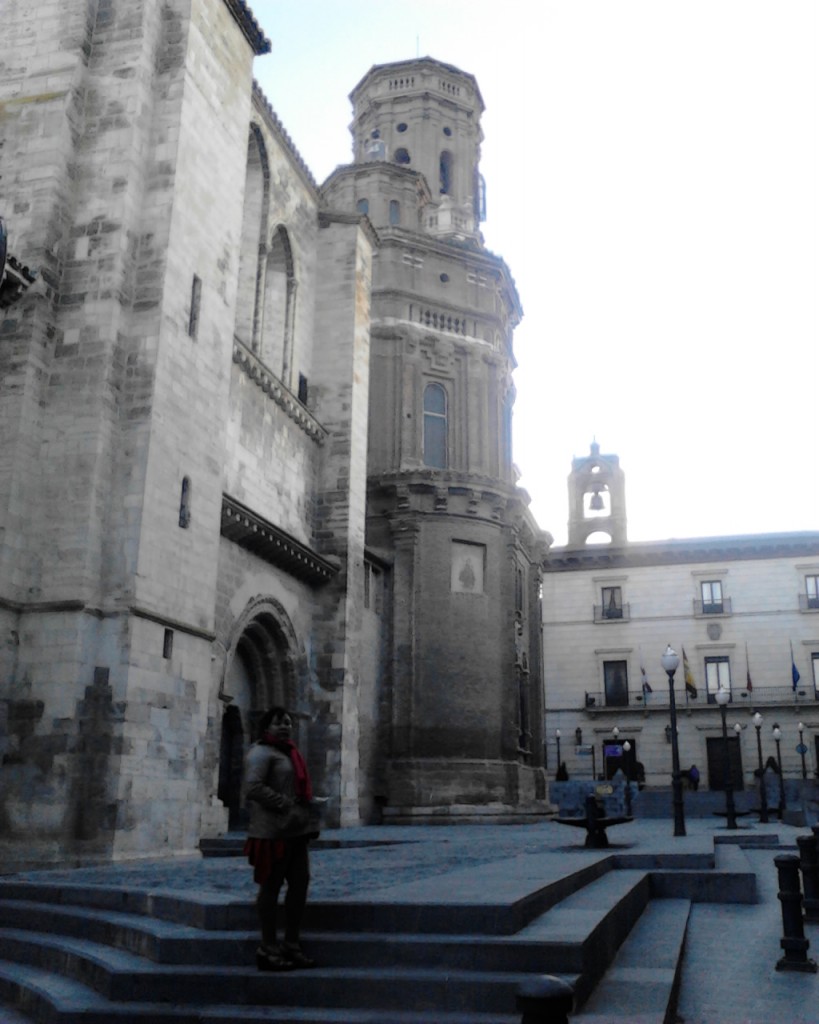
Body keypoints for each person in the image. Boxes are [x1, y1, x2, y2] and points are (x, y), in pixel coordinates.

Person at [243, 706, 317, 971]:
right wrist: (285, 803)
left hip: (295, 831)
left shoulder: (289, 753)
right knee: (271, 887)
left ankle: (291, 944)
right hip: (272, 832)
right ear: (266, 728)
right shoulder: (261, 752)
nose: (285, 727)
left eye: (287, 722)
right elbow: (252, 787)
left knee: (300, 884)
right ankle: (267, 947)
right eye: (278, 723)